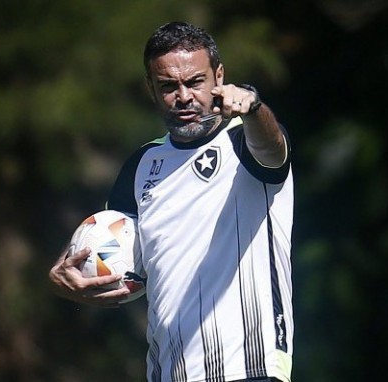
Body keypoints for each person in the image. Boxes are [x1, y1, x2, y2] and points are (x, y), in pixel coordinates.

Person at [49, 21, 294, 382]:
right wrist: (67, 275)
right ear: (151, 88)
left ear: (219, 76)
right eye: (168, 86)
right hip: (168, 371)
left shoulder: (246, 142)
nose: (183, 97)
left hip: (249, 366)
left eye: (195, 82)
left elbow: (274, 149)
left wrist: (254, 107)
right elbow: (110, 243)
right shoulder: (141, 165)